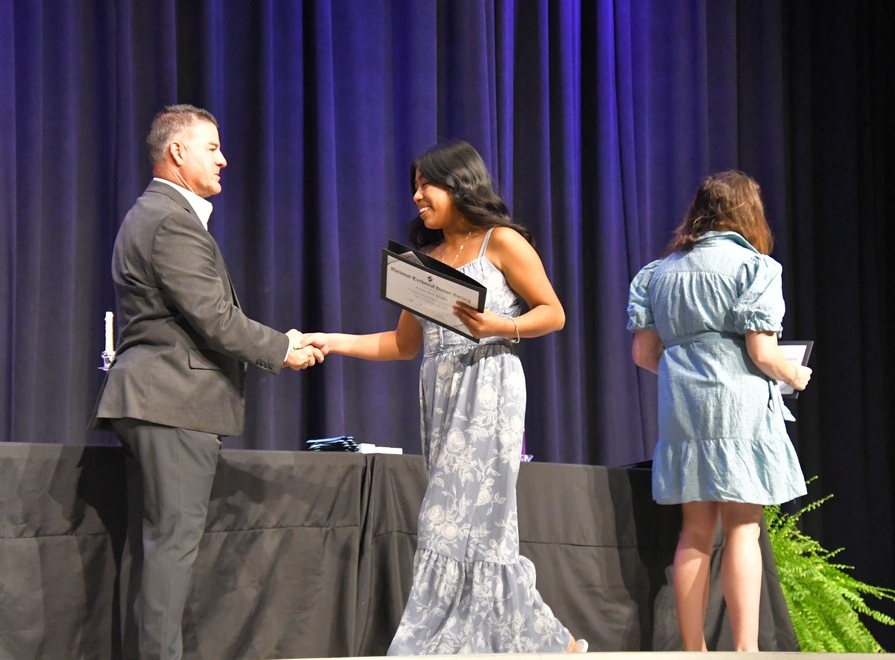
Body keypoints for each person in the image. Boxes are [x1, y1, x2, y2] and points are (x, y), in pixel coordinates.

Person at [302, 140, 587, 654]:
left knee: (449, 519)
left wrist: (500, 326)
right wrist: (334, 341)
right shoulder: (425, 261)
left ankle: (430, 642)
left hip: (490, 387)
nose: (417, 196)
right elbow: (402, 344)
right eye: (414, 186)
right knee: (474, 526)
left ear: (459, 185)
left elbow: (553, 312)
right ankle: (547, 638)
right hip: (443, 393)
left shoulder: (501, 242)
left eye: (426, 184)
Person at [92, 104, 323, 660]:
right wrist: (283, 349)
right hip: (172, 400)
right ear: (177, 152)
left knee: (154, 549)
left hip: (154, 399)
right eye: (212, 148)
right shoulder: (170, 219)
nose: (224, 159)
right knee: (169, 548)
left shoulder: (153, 214)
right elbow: (215, 318)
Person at [626, 170, 812, 652]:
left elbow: (644, 355)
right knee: (743, 527)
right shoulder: (755, 268)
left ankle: (694, 650)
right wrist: (795, 374)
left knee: (694, 531)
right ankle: (746, 651)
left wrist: (686, 372)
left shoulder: (658, 273)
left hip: (683, 412)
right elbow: (763, 352)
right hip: (739, 412)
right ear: (749, 213)